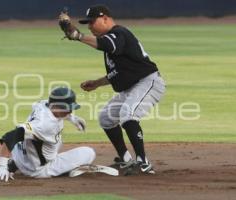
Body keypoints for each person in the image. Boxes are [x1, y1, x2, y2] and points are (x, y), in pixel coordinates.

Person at [59, 5, 166, 174]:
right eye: (87, 23)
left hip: (148, 82)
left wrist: (78, 36)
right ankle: (126, 160)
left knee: (128, 113)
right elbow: (120, 72)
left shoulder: (119, 33)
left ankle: (143, 163)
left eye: (92, 22)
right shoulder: (113, 39)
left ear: (105, 18)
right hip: (131, 86)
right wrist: (97, 83)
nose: (89, 26)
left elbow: (106, 45)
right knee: (106, 117)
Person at [0, 87, 96, 181]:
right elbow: (10, 136)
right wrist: (2, 165)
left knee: (52, 141)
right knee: (88, 153)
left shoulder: (43, 104)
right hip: (37, 170)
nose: (70, 111)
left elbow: (52, 108)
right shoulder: (45, 125)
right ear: (55, 106)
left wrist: (72, 118)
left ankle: (15, 163)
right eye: (67, 108)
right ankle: (65, 171)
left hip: (19, 156)